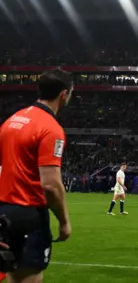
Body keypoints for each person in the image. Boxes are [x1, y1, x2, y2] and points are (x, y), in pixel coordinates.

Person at [0, 69, 73, 283]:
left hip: (4, 209)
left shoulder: (12, 120)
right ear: (63, 95)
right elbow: (50, 185)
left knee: (11, 274)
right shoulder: (51, 129)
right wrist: (64, 221)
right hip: (29, 214)